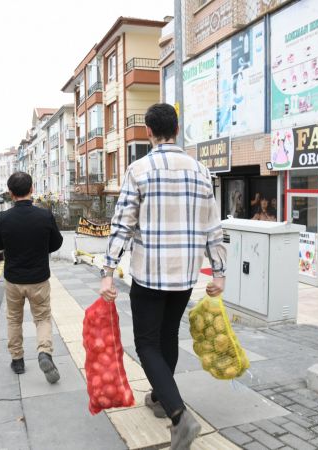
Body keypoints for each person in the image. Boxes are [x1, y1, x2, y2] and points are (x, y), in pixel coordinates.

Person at [100, 103, 226, 449]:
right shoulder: (200, 171)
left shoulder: (139, 169)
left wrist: (108, 270)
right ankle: (159, 398)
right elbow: (212, 225)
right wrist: (219, 271)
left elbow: (123, 224)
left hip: (149, 274)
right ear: (177, 128)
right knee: (168, 337)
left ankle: (179, 416)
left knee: (146, 343)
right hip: (185, 275)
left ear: (149, 132)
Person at [0, 172, 64, 383]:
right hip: (39, 278)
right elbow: (56, 243)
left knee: (14, 319)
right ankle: (44, 352)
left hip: (13, 279)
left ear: (11, 193)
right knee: (42, 318)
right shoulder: (45, 216)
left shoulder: (3, 218)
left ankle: (17, 360)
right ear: (32, 190)